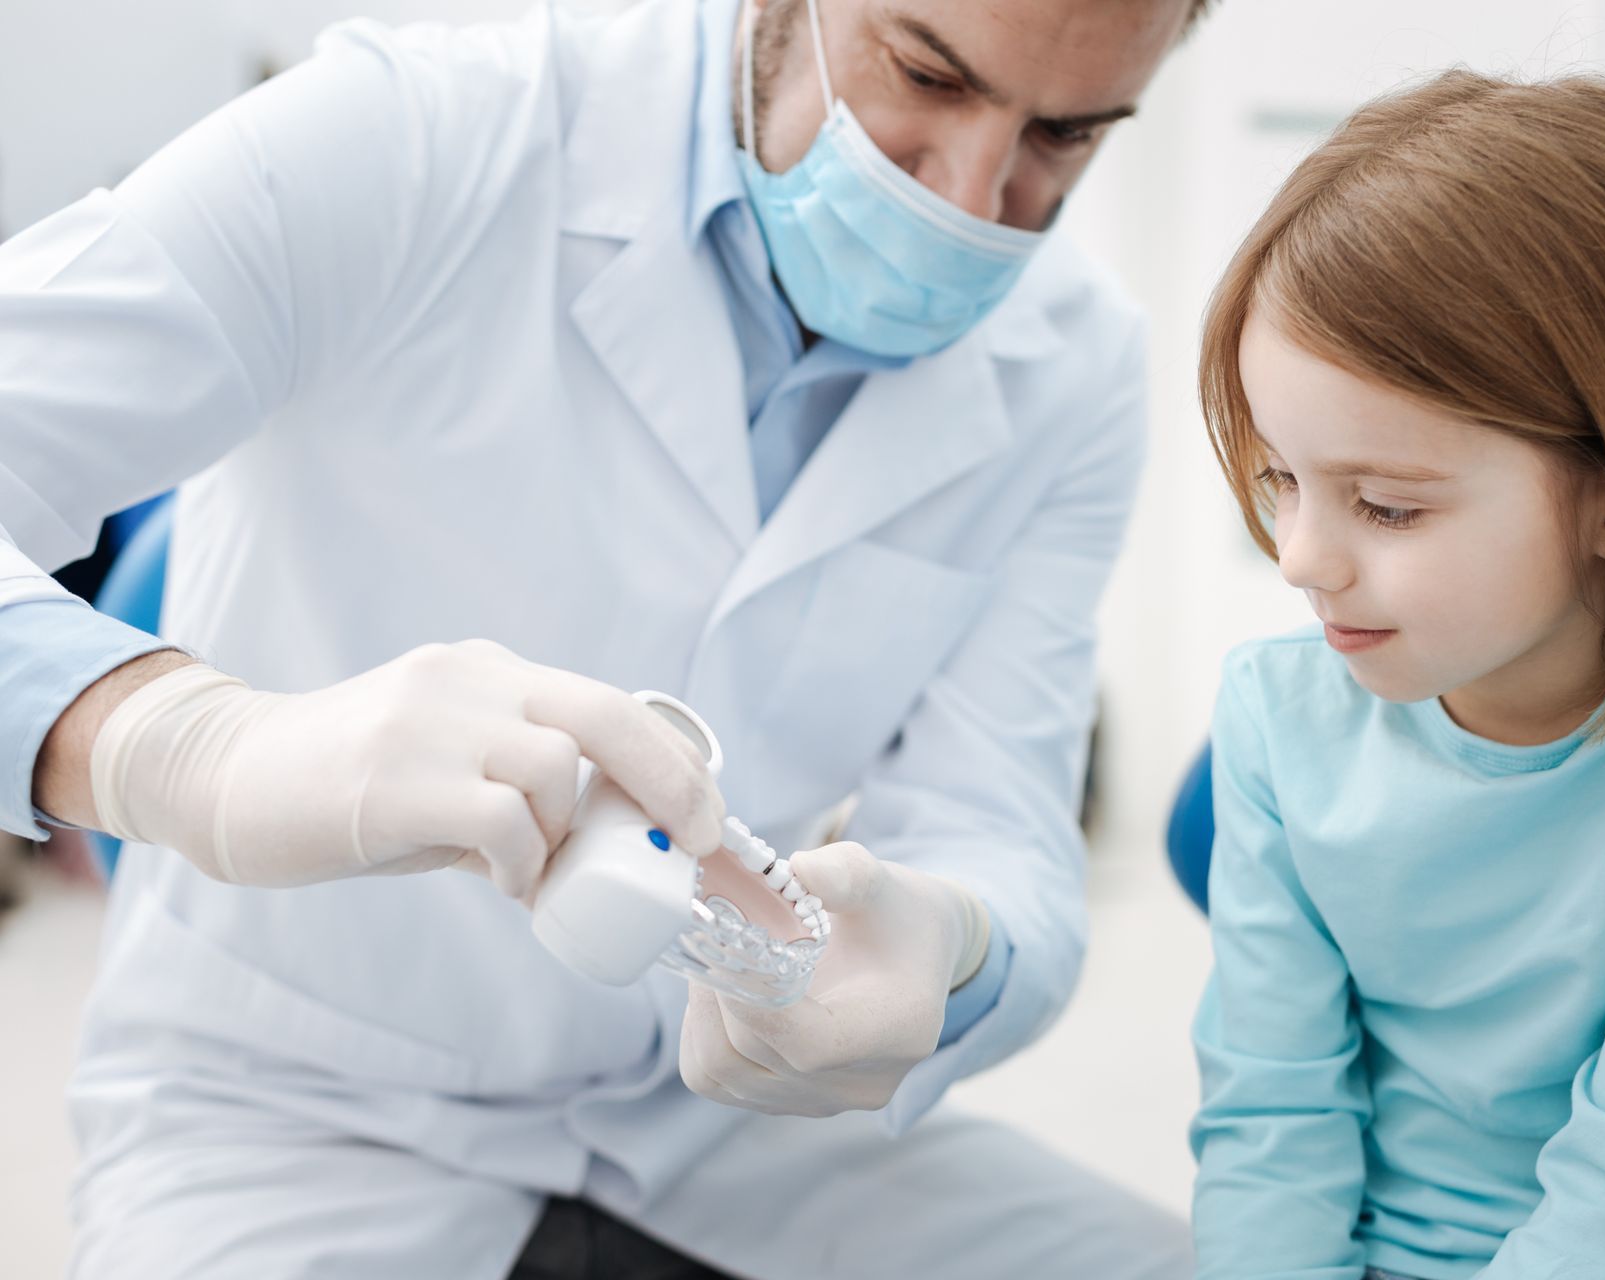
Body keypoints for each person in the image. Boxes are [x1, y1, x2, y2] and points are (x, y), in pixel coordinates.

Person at [0, 0, 1207, 1275]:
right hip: (290, 1110)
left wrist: (950, 942)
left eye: (1064, 136)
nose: (968, 198)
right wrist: (184, 750)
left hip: (719, 1117)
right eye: (923, 73)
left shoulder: (1077, 359)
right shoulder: (418, 128)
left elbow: (1002, 823)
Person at [1189, 71, 1605, 1279]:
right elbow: (1272, 1126)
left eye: (1387, 506)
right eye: (1280, 478)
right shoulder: (1274, 717)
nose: (1298, 560)